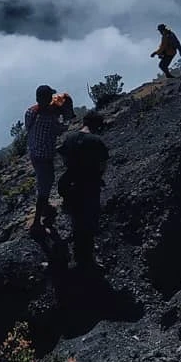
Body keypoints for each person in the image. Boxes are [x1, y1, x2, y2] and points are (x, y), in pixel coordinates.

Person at [57, 109, 109, 270]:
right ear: (97, 125)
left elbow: (64, 158)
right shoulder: (96, 141)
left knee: (76, 221)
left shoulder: (70, 138)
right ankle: (87, 261)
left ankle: (79, 258)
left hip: (70, 186)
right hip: (89, 187)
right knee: (88, 223)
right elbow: (102, 165)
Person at [24, 84, 75, 231]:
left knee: (43, 180)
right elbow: (60, 130)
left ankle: (45, 208)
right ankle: (37, 223)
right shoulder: (50, 119)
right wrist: (67, 118)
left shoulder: (30, 112)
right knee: (45, 185)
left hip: (33, 153)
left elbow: (30, 126)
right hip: (44, 156)